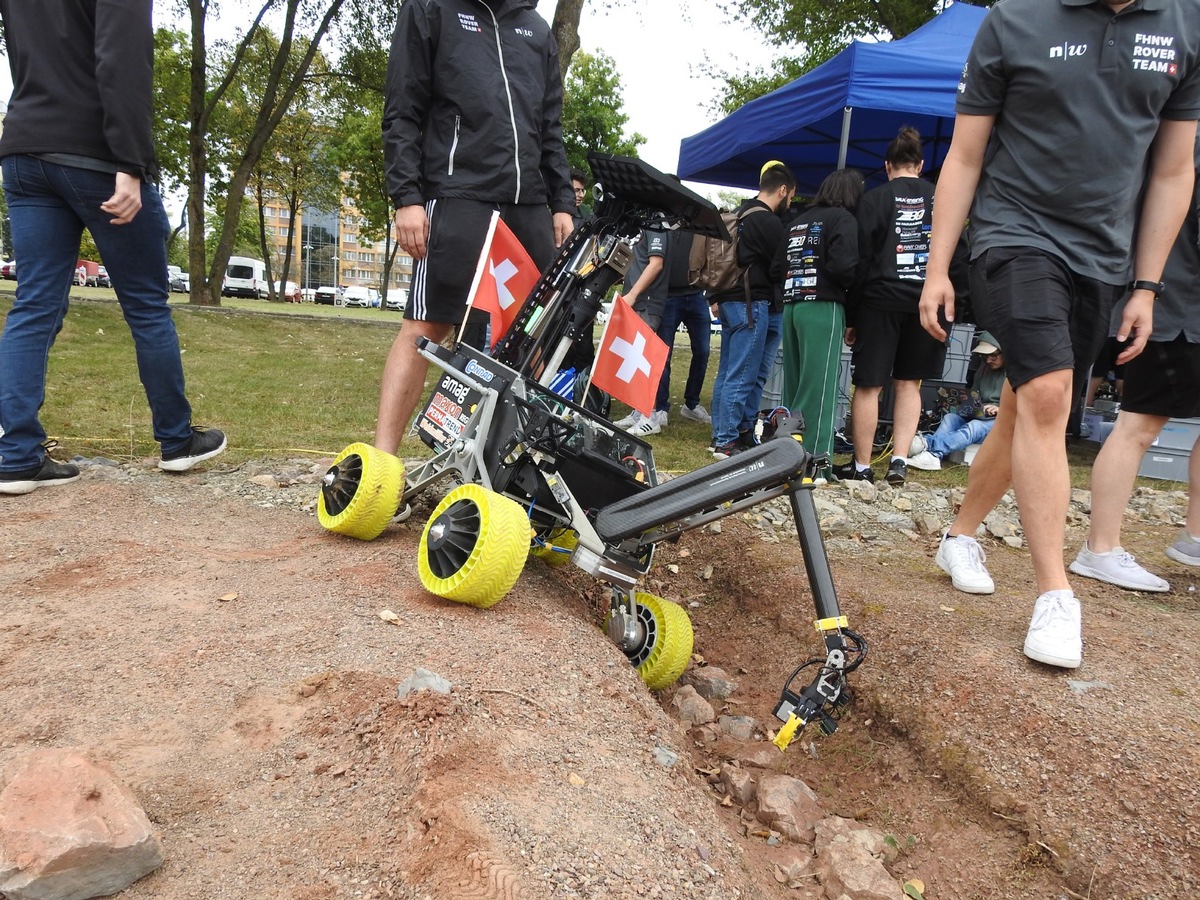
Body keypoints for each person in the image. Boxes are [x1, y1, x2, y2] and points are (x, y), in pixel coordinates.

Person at [918, 0, 1200, 669]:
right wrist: (935, 270)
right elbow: (964, 155)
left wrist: (1147, 286)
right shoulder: (1015, 19)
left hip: (1103, 257)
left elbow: (1172, 169)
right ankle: (1056, 594)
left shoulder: (1185, 24)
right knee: (1047, 394)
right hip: (1013, 233)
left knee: (1027, 402)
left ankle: (959, 534)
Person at [0, 0, 226, 496]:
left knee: (33, 304)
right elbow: (122, 60)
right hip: (96, 156)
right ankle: (176, 441)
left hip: (24, 149)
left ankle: (15, 455)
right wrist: (130, 162)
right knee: (146, 306)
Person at [377, 0, 575, 456]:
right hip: (457, 194)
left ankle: (516, 459)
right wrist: (406, 197)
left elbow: (550, 127)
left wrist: (562, 201)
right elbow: (402, 110)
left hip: (529, 205)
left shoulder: (536, 29)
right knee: (426, 327)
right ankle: (382, 462)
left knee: (533, 334)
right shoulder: (430, 9)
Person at [1070, 138, 1200, 593]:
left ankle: (1195, 536)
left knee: (1137, 428)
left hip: (1168, 304)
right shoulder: (1186, 141)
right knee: (1137, 428)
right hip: (1175, 310)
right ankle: (1100, 549)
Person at [835, 127, 945, 487]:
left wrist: (853, 316)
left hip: (879, 300)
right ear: (921, 164)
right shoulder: (940, 197)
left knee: (869, 385)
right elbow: (958, 253)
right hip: (927, 302)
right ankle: (899, 461)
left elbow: (860, 260)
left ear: (887, 166)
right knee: (910, 383)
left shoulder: (873, 199)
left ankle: (863, 466)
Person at [777, 168, 863, 479]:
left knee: (794, 387)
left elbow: (778, 265)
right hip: (823, 306)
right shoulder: (843, 220)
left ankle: (785, 458)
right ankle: (817, 465)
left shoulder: (798, 221)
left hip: (792, 305)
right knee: (821, 389)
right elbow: (843, 268)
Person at [709, 163, 795, 459]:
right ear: (783, 190)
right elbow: (780, 267)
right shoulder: (768, 222)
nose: (789, 203)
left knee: (729, 372)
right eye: (790, 196)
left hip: (732, 301)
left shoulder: (739, 214)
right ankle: (727, 440)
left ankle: (730, 432)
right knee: (743, 374)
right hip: (752, 303)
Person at [908, 332, 1006, 471]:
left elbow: (1024, 406)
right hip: (983, 414)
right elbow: (975, 394)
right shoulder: (983, 370)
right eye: (984, 356)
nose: (988, 360)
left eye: (993, 356)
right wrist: (970, 405)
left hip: (1004, 420)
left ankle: (927, 444)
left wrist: (1001, 408)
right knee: (950, 418)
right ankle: (934, 456)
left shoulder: (1016, 374)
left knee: (974, 427)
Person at [612, 227, 671, 434]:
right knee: (635, 357)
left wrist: (634, 294)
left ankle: (650, 417)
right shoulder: (644, 224)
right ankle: (639, 411)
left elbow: (656, 263)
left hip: (647, 301)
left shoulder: (657, 225)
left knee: (644, 359)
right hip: (638, 301)